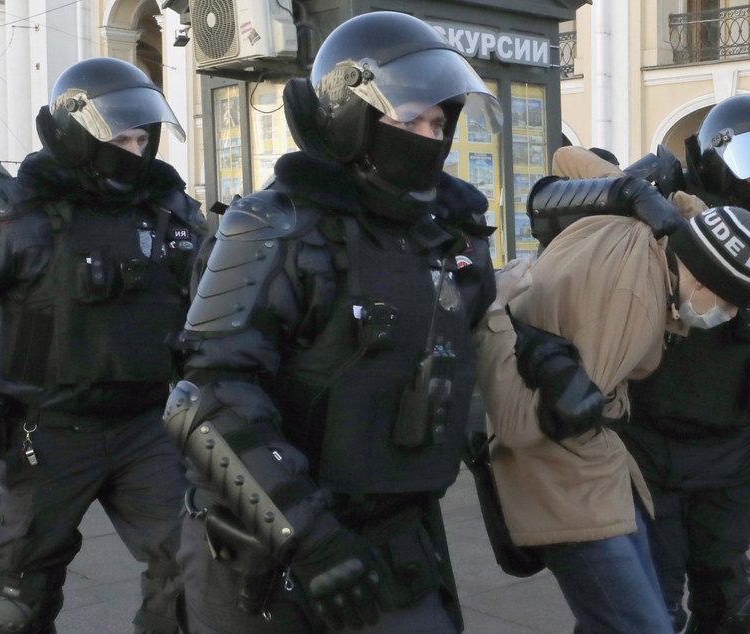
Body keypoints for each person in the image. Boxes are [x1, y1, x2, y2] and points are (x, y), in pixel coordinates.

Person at [162, 11, 500, 633]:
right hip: (266, 547)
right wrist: (308, 537)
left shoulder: (449, 238)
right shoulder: (273, 227)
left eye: (438, 122)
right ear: (353, 120)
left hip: (398, 531)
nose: (430, 136)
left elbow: (471, 351)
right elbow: (206, 400)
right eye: (411, 119)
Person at [512, 93, 750, 633]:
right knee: (649, 606)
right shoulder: (661, 216)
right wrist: (627, 186)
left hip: (732, 452)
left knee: (730, 601)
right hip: (643, 447)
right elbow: (547, 205)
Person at [0, 57, 206, 633]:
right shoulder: (12, 212)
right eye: (119, 136)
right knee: (21, 595)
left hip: (147, 426)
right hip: (47, 427)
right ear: (77, 131)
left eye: (143, 137)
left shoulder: (172, 213)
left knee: (193, 569)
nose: (134, 150)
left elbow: (221, 314)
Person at [476, 159, 750, 633]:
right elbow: (521, 424)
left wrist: (639, 192)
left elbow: (567, 161)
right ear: (699, 281)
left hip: (600, 470)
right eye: (729, 303)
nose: (728, 316)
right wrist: (490, 316)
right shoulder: (635, 306)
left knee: (638, 617)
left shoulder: (646, 231)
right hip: (567, 482)